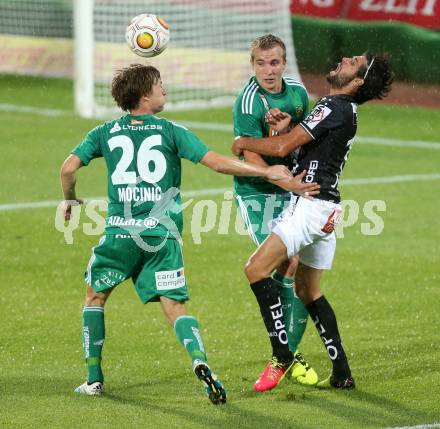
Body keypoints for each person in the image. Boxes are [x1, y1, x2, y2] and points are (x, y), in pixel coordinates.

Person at [60, 64, 320, 404]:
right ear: (144, 96)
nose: (165, 90)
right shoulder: (171, 131)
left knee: (95, 297)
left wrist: (70, 199)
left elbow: (67, 168)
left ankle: (93, 379)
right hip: (162, 238)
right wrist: (267, 172)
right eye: (159, 85)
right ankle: (200, 362)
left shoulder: (104, 132)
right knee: (176, 308)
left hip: (119, 235)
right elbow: (217, 163)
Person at [232, 52, 393, 389]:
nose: (345, 59)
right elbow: (304, 151)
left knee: (256, 269)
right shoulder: (343, 109)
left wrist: (243, 142)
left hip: (310, 205)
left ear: (359, 80)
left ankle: (282, 355)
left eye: (354, 62)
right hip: (328, 209)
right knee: (309, 291)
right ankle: (342, 373)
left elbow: (282, 150)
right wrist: (288, 127)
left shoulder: (333, 106)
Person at [233, 34, 318, 392]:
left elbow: (308, 135)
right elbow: (248, 155)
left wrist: (289, 134)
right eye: (261, 63)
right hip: (257, 192)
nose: (269, 71)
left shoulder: (298, 93)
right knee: (285, 261)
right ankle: (283, 355)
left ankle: (285, 355)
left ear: (284, 63)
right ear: (252, 65)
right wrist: (286, 183)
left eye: (275, 63)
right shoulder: (248, 101)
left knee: (296, 268)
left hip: (292, 188)